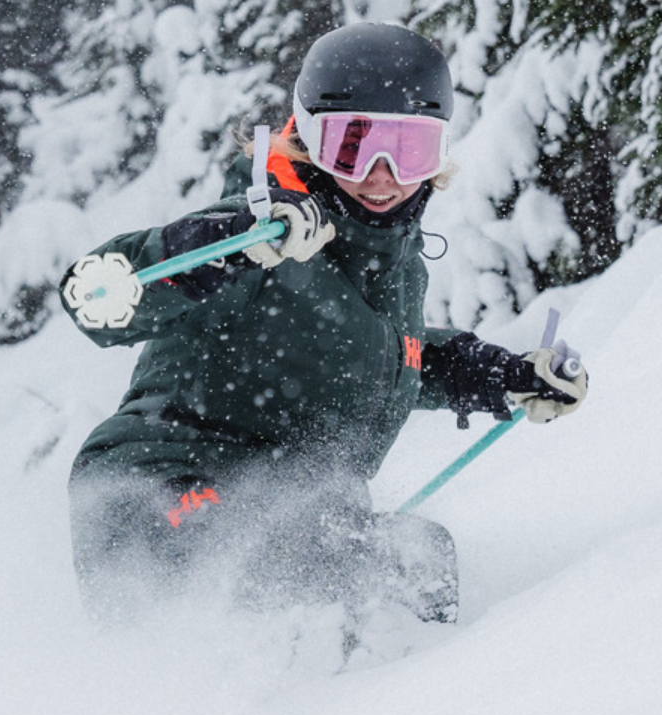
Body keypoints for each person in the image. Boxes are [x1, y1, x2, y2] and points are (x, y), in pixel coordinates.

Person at [57, 23, 588, 626]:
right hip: (161, 489)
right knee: (318, 556)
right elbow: (93, 297)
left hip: (287, 509)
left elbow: (391, 357)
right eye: (352, 146)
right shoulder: (256, 233)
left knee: (413, 557)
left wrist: (498, 375)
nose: (381, 174)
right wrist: (219, 246)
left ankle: (412, 712)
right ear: (308, 140)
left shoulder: (391, 262)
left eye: (409, 150)